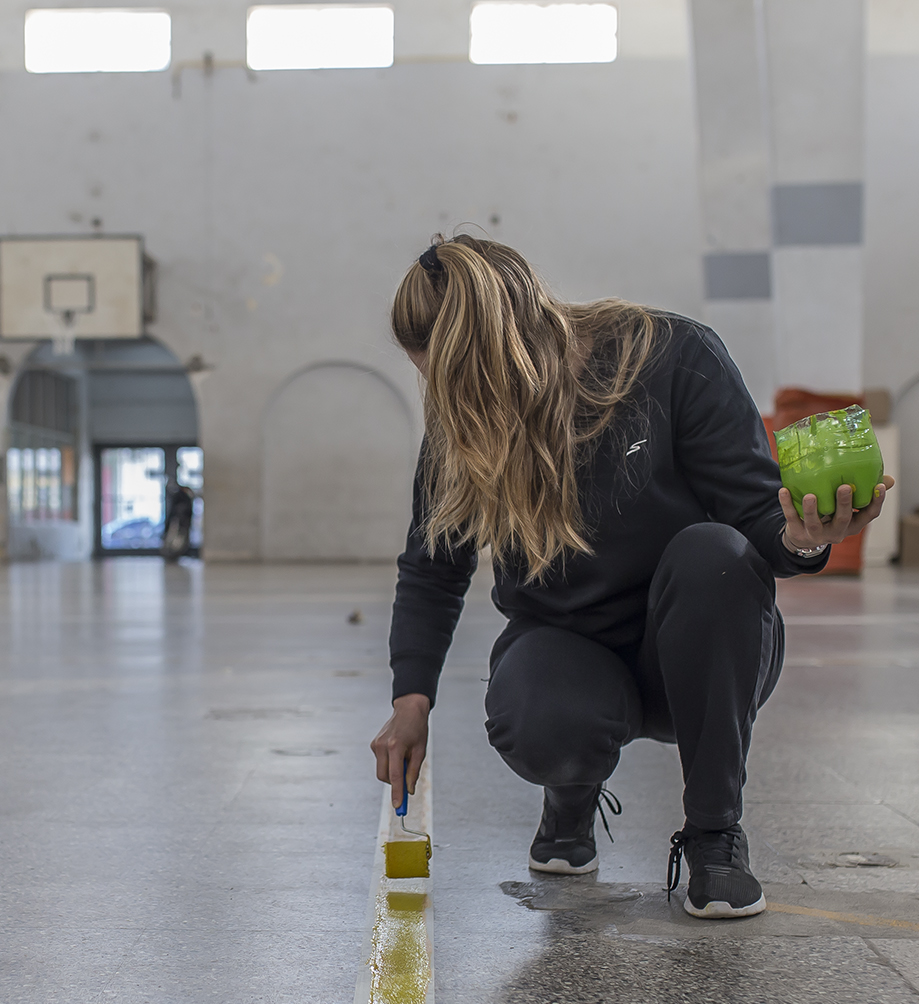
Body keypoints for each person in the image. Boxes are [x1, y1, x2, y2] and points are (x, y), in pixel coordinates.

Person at [368, 236, 889, 918]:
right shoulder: (466, 421)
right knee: (540, 721)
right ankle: (570, 795)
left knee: (716, 552)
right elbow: (433, 567)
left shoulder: (674, 356)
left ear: (495, 350)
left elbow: (757, 514)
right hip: (566, 646)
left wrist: (803, 538)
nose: (446, 399)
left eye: (453, 379)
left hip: (697, 648)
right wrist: (410, 699)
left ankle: (714, 837)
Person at [162, 481, 196, 563]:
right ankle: (171, 554)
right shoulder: (182, 498)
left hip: (182, 523)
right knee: (175, 539)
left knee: (180, 540)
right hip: (178, 523)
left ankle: (175, 554)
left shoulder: (185, 499)